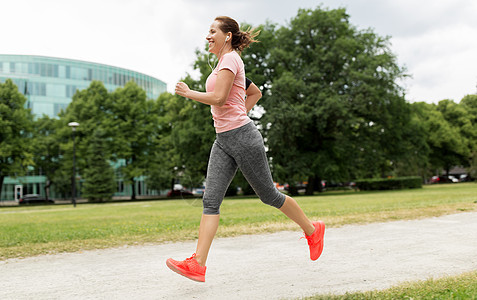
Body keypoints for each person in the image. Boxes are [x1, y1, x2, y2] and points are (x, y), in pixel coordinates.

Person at [166, 16, 325, 283]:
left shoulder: (230, 60)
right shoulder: (222, 64)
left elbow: (219, 98)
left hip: (241, 138)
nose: (208, 36)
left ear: (227, 36)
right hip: (223, 140)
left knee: (270, 196)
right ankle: (198, 264)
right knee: (210, 201)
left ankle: (312, 230)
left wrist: (189, 92)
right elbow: (255, 92)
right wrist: (237, 112)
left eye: (213, 31)